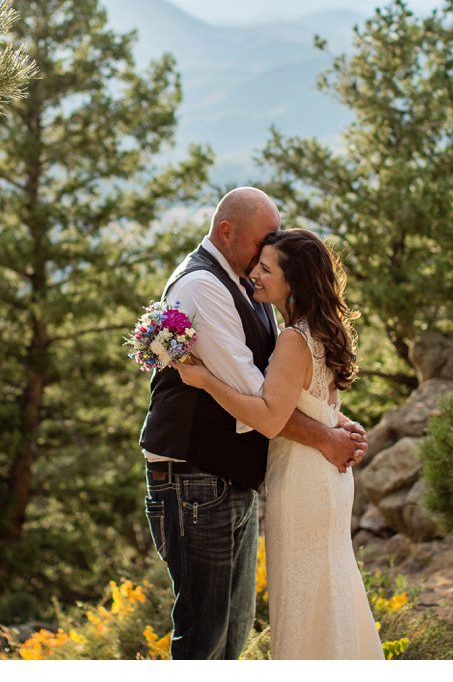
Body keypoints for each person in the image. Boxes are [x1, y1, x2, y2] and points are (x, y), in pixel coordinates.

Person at [138, 189, 369, 660]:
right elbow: (260, 399)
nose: (267, 255)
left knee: (232, 634)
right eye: (263, 244)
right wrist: (328, 436)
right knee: (207, 638)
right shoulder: (203, 287)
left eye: (273, 256)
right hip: (195, 479)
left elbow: (283, 393)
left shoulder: (255, 293)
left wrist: (335, 424)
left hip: (230, 480)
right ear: (227, 232)